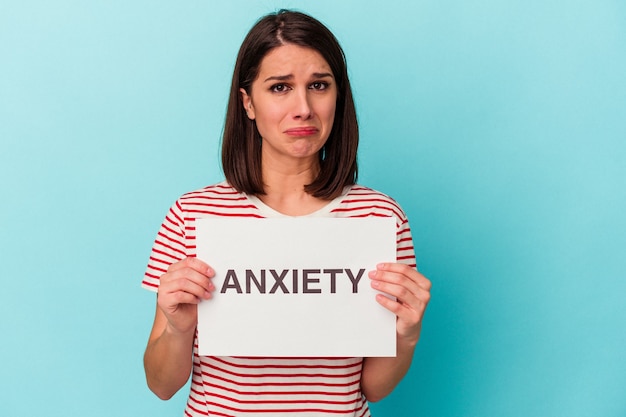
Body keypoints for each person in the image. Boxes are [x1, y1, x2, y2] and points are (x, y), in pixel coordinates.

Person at [142, 9, 431, 417]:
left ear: (338, 96)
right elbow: (161, 384)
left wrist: (407, 334)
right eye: (279, 87)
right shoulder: (193, 215)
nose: (303, 108)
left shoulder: (378, 217)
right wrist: (178, 327)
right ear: (248, 103)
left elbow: (372, 388)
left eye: (319, 85)